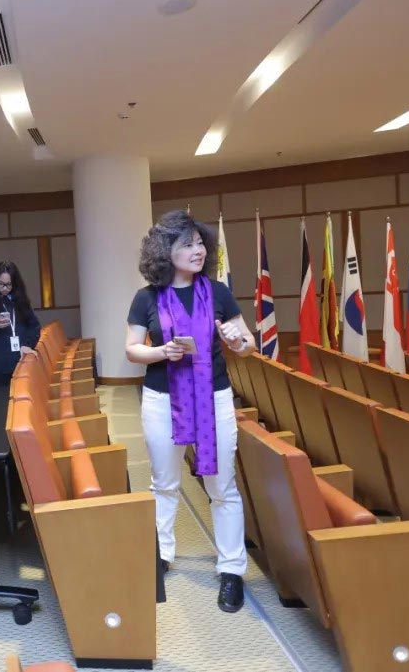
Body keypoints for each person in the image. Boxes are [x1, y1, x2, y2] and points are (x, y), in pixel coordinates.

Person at [124, 210, 254, 614]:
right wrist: (162, 351)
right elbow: (132, 349)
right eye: (188, 244)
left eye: (200, 243)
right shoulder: (146, 298)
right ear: (166, 251)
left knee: (222, 487)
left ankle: (231, 569)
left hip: (214, 397)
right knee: (164, 483)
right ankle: (162, 554)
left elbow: (247, 344)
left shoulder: (218, 292)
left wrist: (237, 340)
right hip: (162, 399)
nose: (198, 251)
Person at [0, 261, 41, 380]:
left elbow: (34, 327)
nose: (5, 288)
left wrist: (27, 345)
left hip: (20, 365)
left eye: (9, 284)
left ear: (15, 284)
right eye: (1, 284)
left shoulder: (22, 303)